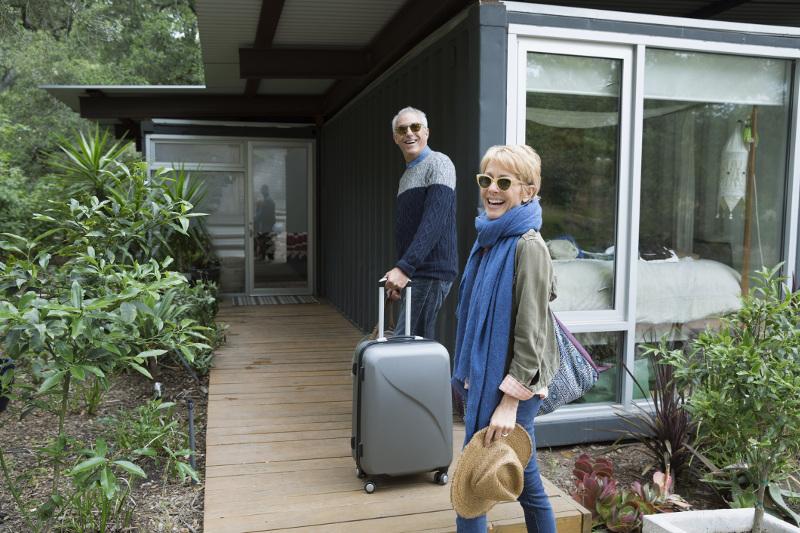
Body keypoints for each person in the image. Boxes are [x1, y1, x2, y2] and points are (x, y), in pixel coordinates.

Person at [452, 145, 559, 532]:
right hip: (488, 378)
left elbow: (531, 332)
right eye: (486, 180)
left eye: (503, 182)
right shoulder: (490, 239)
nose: (491, 189)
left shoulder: (528, 247)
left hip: (514, 385)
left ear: (527, 191)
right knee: (524, 484)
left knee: (474, 482)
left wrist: (509, 402)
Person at [383, 106, 457, 339]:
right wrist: (402, 273)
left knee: (410, 344)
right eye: (402, 129)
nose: (409, 133)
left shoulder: (440, 163)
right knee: (414, 344)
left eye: (415, 127)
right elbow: (410, 230)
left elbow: (433, 223)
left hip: (432, 271)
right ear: (395, 138)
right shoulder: (406, 176)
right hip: (417, 271)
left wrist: (404, 268)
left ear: (427, 132)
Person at [255, 184, 276, 261]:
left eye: (263, 190)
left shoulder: (267, 201)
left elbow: (262, 213)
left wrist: (256, 219)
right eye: (261, 190)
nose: (261, 191)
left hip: (267, 223)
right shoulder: (267, 200)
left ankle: (266, 256)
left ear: (266, 190)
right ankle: (269, 256)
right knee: (267, 239)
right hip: (268, 222)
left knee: (265, 240)